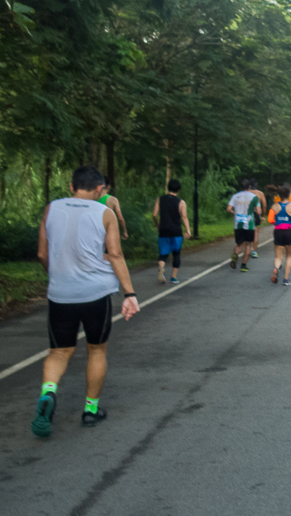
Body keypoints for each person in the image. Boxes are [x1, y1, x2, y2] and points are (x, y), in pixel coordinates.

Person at [31, 166, 140, 437]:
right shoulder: (105, 213)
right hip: (96, 293)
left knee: (58, 352)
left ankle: (48, 392)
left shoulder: (52, 208)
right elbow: (114, 255)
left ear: (71, 186)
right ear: (100, 189)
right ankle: (90, 410)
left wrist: (57, 277)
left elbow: (42, 254)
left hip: (60, 294)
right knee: (96, 350)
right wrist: (130, 294)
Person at [153, 179, 192, 285]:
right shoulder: (181, 202)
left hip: (163, 229)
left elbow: (154, 215)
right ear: (178, 189)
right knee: (176, 254)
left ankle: (161, 269)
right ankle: (174, 277)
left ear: (168, 188)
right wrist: (188, 230)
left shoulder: (160, 200)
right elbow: (184, 217)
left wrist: (157, 225)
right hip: (176, 231)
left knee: (163, 254)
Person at [268, 185, 291, 286]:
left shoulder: (274, 206)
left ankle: (276, 268)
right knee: (289, 256)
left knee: (278, 256)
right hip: (290, 231)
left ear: (279, 195)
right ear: (289, 194)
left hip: (278, 231)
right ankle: (286, 279)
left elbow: (270, 220)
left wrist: (277, 223)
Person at [227, 181, 261, 272]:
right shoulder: (254, 197)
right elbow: (259, 212)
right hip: (249, 224)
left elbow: (228, 209)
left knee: (239, 243)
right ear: (250, 186)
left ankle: (235, 256)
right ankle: (243, 265)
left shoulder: (235, 196)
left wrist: (234, 213)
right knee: (248, 244)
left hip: (238, 223)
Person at [249, 180, 266, 258]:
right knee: (256, 234)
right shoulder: (260, 193)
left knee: (247, 233)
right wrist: (263, 216)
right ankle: (254, 252)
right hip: (256, 214)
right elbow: (264, 206)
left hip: (247, 214)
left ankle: (247, 249)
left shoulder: (245, 193)